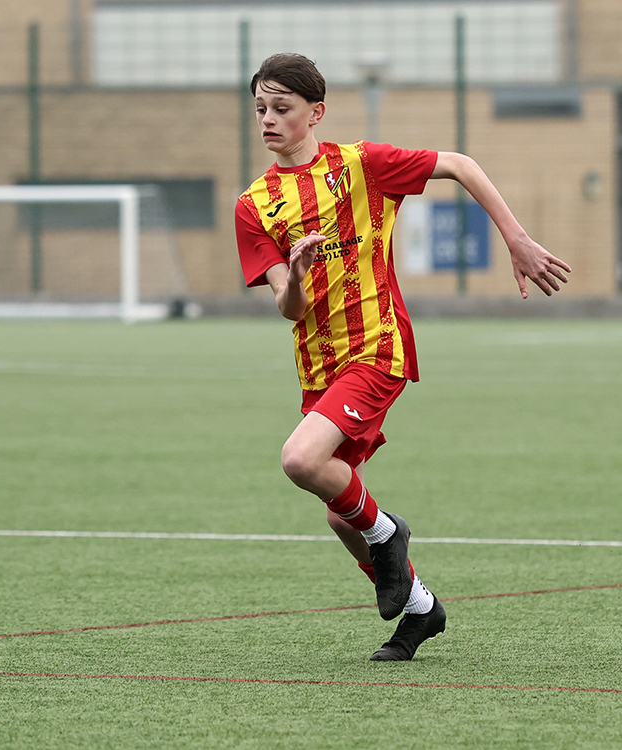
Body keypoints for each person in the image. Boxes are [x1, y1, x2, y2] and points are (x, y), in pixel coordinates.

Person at [235, 54, 571, 661]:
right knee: (342, 515)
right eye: (260, 108)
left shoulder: (362, 165)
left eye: (281, 108)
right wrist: (298, 275)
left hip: (378, 347)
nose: (267, 119)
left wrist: (516, 239)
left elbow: (461, 164)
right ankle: (419, 610)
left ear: (316, 113)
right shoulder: (255, 204)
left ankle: (389, 532)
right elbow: (289, 309)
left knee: (299, 459)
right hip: (319, 363)